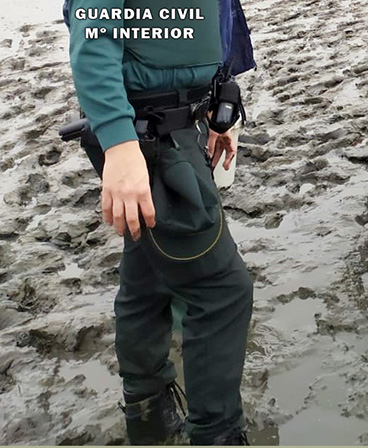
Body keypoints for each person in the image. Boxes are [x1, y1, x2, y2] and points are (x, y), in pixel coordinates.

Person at [66, 0, 254, 444]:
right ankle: (217, 434)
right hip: (150, 136)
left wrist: (221, 97)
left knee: (147, 278)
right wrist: (118, 142)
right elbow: (93, 34)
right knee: (222, 290)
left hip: (180, 121)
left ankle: (148, 412)